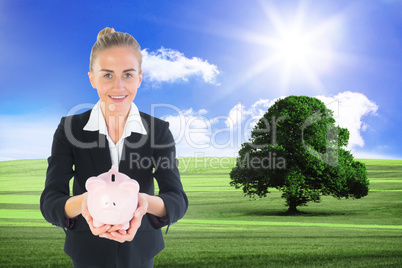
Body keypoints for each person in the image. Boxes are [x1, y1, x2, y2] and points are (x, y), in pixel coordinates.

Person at [40, 27, 188, 268]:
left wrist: (143, 203)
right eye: (107, 75)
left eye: (128, 75)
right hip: (86, 251)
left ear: (140, 78)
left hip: (140, 252)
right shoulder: (70, 129)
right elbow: (50, 200)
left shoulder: (158, 131)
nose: (119, 87)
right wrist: (85, 203)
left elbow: (177, 198)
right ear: (92, 78)